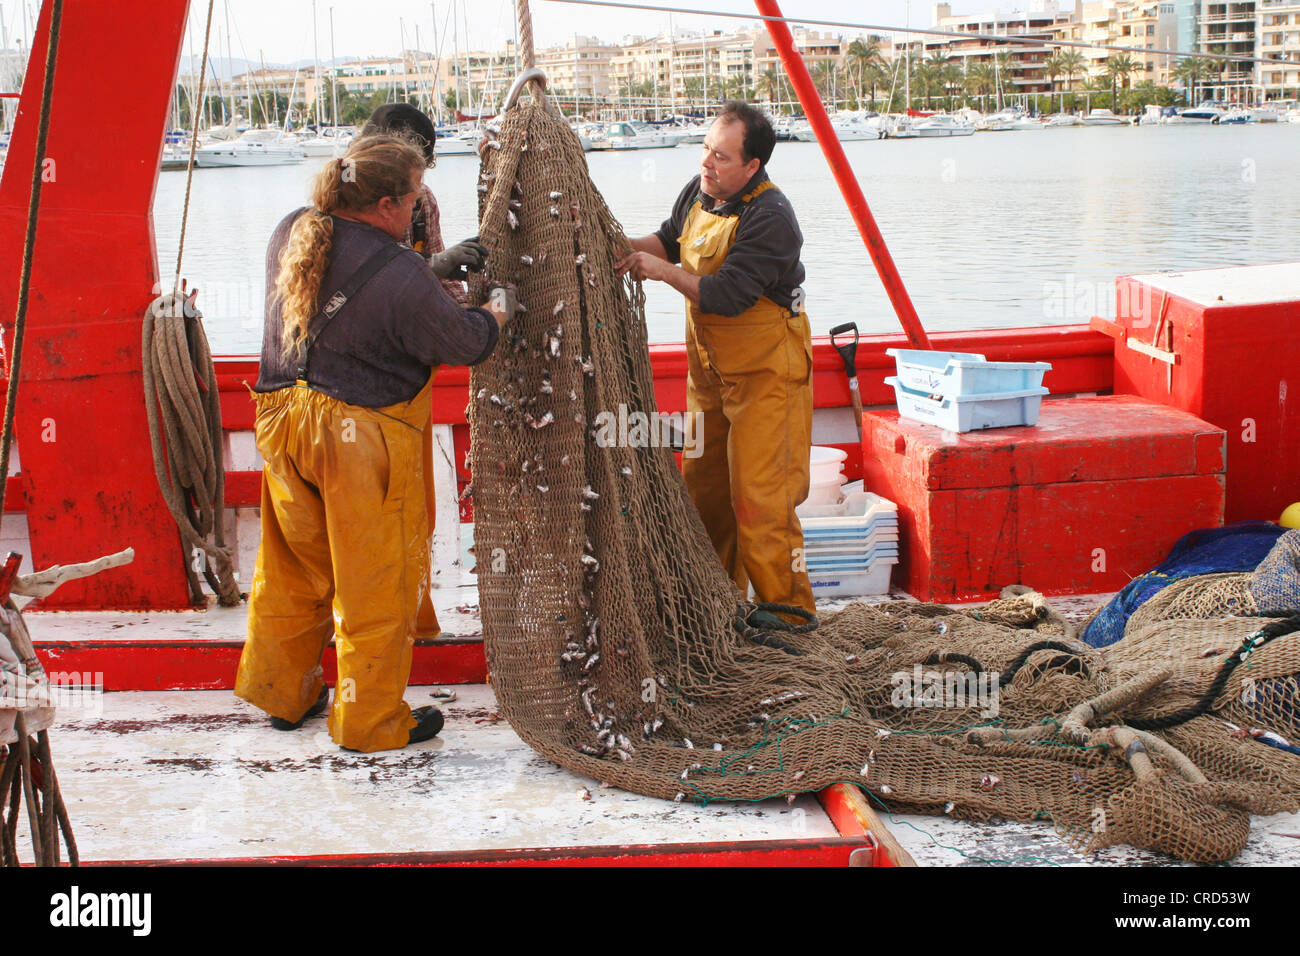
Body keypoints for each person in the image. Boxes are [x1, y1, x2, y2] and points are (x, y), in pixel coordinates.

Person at [234, 134, 511, 752]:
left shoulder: (292, 229)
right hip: (355, 437)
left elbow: (352, 288)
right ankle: (368, 721)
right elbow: (465, 342)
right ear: (387, 204)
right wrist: (496, 307)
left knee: (291, 569)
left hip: (281, 421)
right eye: (413, 201)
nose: (416, 212)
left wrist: (428, 272)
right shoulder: (401, 270)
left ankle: (286, 693)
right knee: (373, 585)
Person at [616, 101, 815, 619]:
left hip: (768, 376)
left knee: (761, 502)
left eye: (722, 157)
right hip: (710, 377)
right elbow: (666, 239)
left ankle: (789, 615)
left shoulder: (771, 217)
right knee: (704, 494)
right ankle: (717, 606)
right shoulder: (700, 190)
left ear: (752, 167)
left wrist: (659, 272)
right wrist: (614, 246)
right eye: (706, 149)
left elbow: (726, 295)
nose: (707, 163)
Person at [362, 103, 485, 642]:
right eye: (413, 181)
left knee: (412, 513)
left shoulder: (421, 203)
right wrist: (430, 273)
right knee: (364, 525)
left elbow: (438, 284)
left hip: (402, 386)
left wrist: (469, 312)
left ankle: (410, 622)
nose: (418, 190)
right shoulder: (332, 208)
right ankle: (371, 653)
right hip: (353, 398)